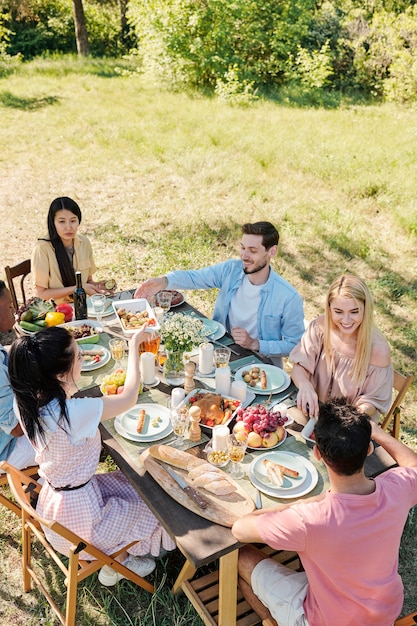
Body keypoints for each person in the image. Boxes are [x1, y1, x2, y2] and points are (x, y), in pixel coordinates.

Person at [7, 324, 176, 585]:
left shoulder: (26, 401)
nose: (83, 360)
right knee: (158, 507)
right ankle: (117, 562)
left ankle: (115, 557)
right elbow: (130, 397)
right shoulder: (72, 414)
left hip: (57, 508)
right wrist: (133, 346)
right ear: (61, 373)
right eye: (79, 357)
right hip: (84, 526)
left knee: (136, 484)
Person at [232, 400, 417, 626]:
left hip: (326, 620)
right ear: (369, 449)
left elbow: (239, 529)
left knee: (241, 557)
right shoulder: (396, 488)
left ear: (317, 453)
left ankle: (274, 621)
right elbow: (413, 465)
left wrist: (305, 503)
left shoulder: (308, 518)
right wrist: (377, 432)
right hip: (384, 613)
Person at [135, 222, 305, 367]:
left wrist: (255, 344)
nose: (244, 256)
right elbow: (196, 277)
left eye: (253, 250)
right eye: (243, 248)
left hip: (259, 364)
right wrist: (164, 281)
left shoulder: (288, 297)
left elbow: (295, 345)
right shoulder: (232, 269)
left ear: (272, 251)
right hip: (221, 350)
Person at [289, 274, 393, 422]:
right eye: (338, 312)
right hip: (312, 411)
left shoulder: (378, 350)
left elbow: (372, 402)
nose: (346, 321)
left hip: (350, 423)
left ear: (366, 308)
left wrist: (353, 413)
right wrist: (305, 385)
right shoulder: (320, 327)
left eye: (354, 312)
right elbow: (300, 367)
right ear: (329, 308)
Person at [31, 196, 113, 303]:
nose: (68, 227)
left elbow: (88, 281)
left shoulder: (84, 243)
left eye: (73, 221)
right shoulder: (42, 249)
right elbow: (40, 294)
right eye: (62, 221)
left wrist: (98, 286)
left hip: (82, 306)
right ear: (53, 223)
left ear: (79, 221)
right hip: (55, 314)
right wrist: (78, 288)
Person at [0, 280, 37, 472]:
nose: (14, 310)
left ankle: (39, 485)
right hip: (6, 450)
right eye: (9, 306)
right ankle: (52, 493)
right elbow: (16, 428)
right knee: (72, 434)